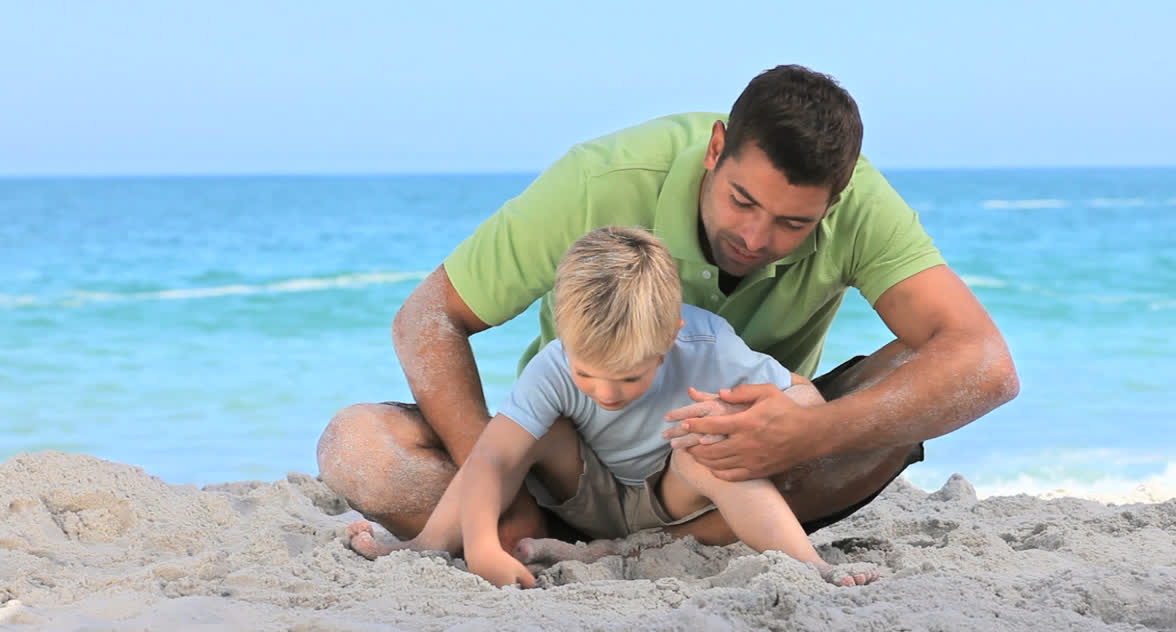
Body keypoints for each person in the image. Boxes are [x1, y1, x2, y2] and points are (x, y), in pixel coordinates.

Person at [317, 64, 1019, 561]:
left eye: (791, 224)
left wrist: (806, 434)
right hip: (565, 464)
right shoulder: (600, 180)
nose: (755, 236)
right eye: (742, 201)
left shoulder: (859, 205)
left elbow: (985, 365)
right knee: (360, 449)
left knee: (922, 378)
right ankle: (533, 529)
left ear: (832, 205)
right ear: (716, 149)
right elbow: (427, 319)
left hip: (733, 475)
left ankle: (658, 551)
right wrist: (498, 489)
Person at [345, 227, 875, 588]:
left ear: (673, 335)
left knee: (707, 440)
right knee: (532, 431)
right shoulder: (555, 364)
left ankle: (811, 569)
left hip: (673, 493)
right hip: (582, 492)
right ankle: (427, 547)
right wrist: (481, 546)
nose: (606, 393)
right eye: (587, 373)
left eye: (628, 375)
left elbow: (802, 397)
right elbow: (494, 460)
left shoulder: (711, 346)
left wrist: (752, 415)